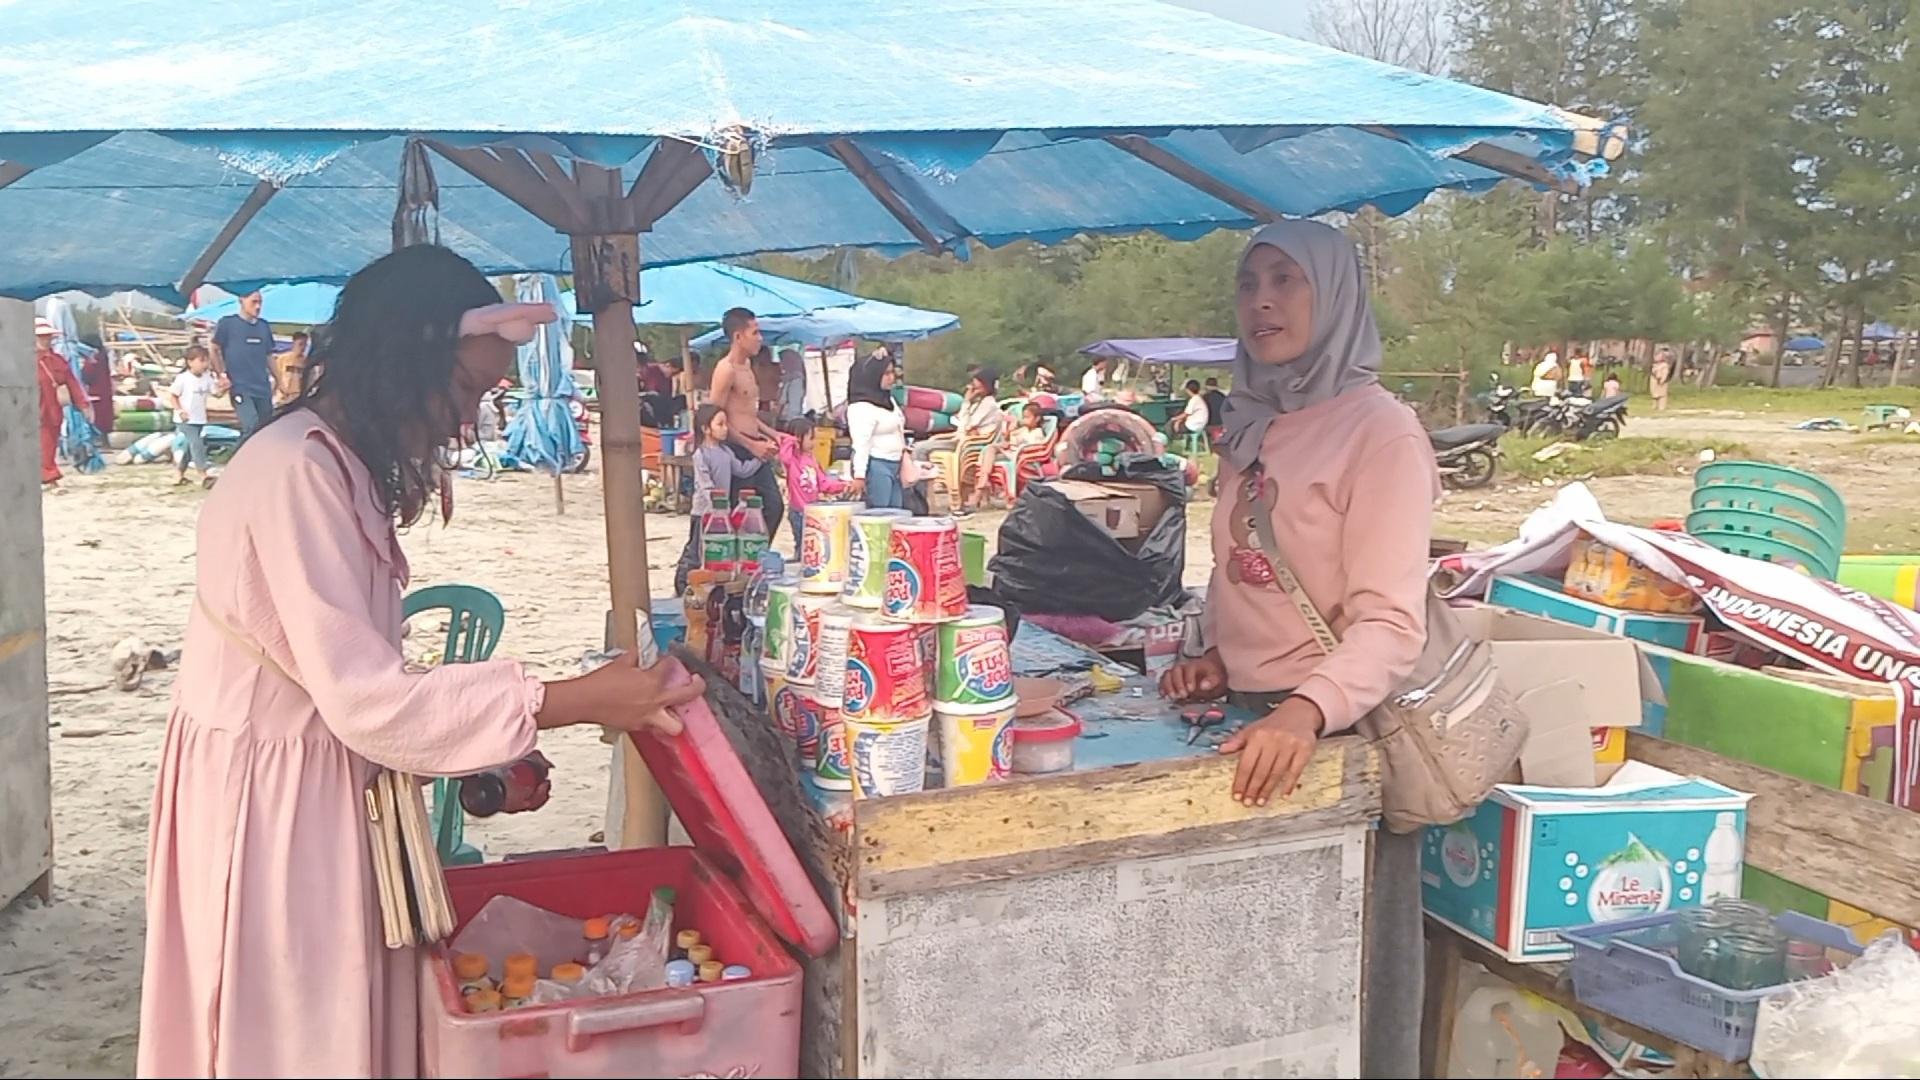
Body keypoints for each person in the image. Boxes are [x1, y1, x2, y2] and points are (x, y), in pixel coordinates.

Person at [136, 245, 704, 1079]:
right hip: (272, 801)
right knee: (291, 1031)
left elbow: (357, 683)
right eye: (467, 390)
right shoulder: (297, 469)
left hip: (315, 777)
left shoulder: (335, 462)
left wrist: (491, 737)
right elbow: (366, 700)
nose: (466, 418)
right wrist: (575, 699)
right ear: (404, 359)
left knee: (332, 1017)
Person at [1157, 220, 1437, 1078]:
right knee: (1248, 994)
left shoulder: (1378, 432)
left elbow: (1391, 621)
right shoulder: (1254, 423)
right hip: (1248, 731)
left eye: (1287, 280)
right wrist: (1211, 650)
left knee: (1339, 993)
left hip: (1331, 742)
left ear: (1336, 295)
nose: (1263, 300)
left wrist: (1303, 711)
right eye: (1248, 283)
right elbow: (1244, 571)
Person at [707, 309, 786, 540]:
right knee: (739, 513)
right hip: (736, 449)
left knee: (773, 506)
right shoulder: (726, 369)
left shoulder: (748, 366)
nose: (760, 338)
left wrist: (773, 434)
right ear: (738, 337)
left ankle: (756, 559)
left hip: (755, 446)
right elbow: (714, 418)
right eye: (755, 332)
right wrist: (750, 445)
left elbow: (747, 413)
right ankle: (738, 564)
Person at [674, 404, 768, 594]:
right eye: (720, 424)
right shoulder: (701, 454)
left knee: (714, 550)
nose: (725, 428)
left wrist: (760, 458)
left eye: (726, 424)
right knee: (696, 549)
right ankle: (683, 581)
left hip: (721, 512)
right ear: (706, 429)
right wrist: (717, 506)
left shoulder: (726, 452)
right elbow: (704, 484)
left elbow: (742, 470)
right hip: (704, 511)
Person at [210, 290, 278, 440]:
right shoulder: (228, 323)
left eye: (260, 302)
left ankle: (259, 461)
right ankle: (237, 459)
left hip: (262, 385)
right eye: (254, 302)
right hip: (240, 386)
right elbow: (214, 348)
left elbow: (269, 355)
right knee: (251, 424)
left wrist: (279, 380)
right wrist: (221, 375)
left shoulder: (264, 326)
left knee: (265, 427)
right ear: (242, 300)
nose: (258, 306)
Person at [34, 317, 91, 490]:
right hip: (30, 410)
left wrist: (83, 404)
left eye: (49, 336)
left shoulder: (58, 360)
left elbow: (72, 383)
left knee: (49, 444)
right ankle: (46, 476)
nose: (46, 339)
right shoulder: (20, 360)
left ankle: (48, 476)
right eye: (42, 336)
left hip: (52, 410)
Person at [778, 416, 849, 553]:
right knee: (801, 545)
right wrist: (791, 440)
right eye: (811, 438)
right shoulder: (792, 460)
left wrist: (842, 485)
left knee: (813, 544)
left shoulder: (812, 459)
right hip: (798, 510)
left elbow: (823, 483)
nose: (814, 442)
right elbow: (784, 456)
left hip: (813, 510)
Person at [846, 351, 908, 509]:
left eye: (892, 372)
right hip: (877, 464)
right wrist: (859, 476)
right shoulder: (861, 407)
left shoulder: (888, 400)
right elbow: (861, 444)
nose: (891, 378)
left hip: (896, 463)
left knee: (897, 511)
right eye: (886, 373)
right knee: (880, 513)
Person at [163, 345, 217, 487]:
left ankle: (179, 474)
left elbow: (216, 393)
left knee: (189, 447)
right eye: (202, 361)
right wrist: (180, 410)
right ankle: (203, 474)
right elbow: (173, 395)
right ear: (190, 362)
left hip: (199, 418)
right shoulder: (183, 379)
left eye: (206, 361)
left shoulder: (207, 378)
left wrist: (225, 386)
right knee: (196, 443)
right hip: (185, 419)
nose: (205, 364)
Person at [79, 333, 116, 441]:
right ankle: (104, 439)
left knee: (97, 417)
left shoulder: (93, 357)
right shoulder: (103, 355)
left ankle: (98, 439)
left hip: (95, 391)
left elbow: (87, 374)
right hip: (105, 389)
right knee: (105, 415)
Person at [272, 330, 312, 405]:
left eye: (305, 345)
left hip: (297, 398)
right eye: (300, 344)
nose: (303, 347)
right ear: (294, 343)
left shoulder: (306, 362)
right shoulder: (282, 358)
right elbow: (275, 377)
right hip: (282, 397)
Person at [777, 347, 808, 423]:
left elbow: (791, 402)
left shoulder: (796, 381)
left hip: (792, 419)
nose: (781, 365)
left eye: (782, 362)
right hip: (788, 418)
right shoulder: (789, 378)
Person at [1649, 347, 1673, 411]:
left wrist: (1662, 380)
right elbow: (1653, 372)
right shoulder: (1655, 365)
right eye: (1656, 356)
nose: (1657, 358)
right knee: (1654, 394)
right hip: (1654, 380)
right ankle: (1654, 406)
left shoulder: (1664, 365)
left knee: (1662, 395)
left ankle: (1661, 407)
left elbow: (1665, 373)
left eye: (1659, 356)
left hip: (1662, 381)